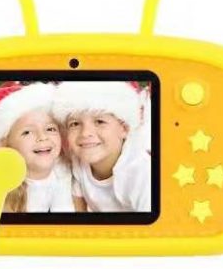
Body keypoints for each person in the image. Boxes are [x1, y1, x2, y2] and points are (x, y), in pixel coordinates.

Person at [52, 82, 151, 213]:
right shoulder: (78, 161)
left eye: (100, 121)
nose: (85, 133)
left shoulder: (142, 175)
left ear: (124, 129)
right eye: (75, 124)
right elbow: (78, 207)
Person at [0, 82, 83, 213]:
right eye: (27, 132)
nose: (42, 137)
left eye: (50, 129)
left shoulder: (61, 171)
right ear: (5, 144)